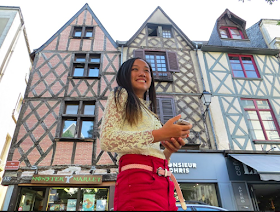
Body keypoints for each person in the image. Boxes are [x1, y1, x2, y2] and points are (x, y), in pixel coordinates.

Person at [100, 57, 192, 211]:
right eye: (135, 69)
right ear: (124, 74)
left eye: (146, 70)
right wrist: (160, 133)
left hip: (163, 181)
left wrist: (169, 150)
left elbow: (155, 153)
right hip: (137, 181)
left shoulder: (151, 114)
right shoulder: (120, 93)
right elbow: (107, 139)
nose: (142, 73)